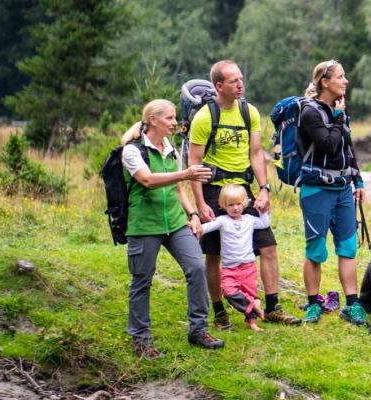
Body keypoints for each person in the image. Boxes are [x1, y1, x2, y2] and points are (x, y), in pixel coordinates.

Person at [189, 60, 301, 329]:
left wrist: (264, 189)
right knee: (214, 254)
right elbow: (194, 164)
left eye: (241, 79)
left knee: (268, 244)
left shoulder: (249, 112)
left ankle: (273, 307)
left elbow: (255, 153)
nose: (241, 84)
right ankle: (218, 311)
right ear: (219, 86)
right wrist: (201, 204)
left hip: (244, 191)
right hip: (215, 190)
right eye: (233, 81)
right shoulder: (204, 118)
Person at [118, 99, 223, 359]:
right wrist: (186, 174)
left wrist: (193, 215)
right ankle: (142, 340)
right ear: (153, 119)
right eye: (170, 118)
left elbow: (177, 190)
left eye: (175, 118)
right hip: (144, 225)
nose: (175, 123)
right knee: (142, 281)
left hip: (175, 222)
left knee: (196, 268)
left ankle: (198, 331)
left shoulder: (170, 148)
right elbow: (148, 180)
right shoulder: (133, 151)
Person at [296, 60, 368, 325]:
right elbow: (327, 145)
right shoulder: (309, 112)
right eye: (340, 77)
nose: (345, 81)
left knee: (348, 247)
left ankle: (352, 304)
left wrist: (358, 180)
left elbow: (346, 148)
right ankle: (313, 304)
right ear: (324, 82)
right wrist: (338, 118)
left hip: (342, 190)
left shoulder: (340, 110)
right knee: (315, 249)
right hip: (316, 190)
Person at [201, 185, 273, 332]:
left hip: (248, 267)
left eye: (238, 204)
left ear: (244, 203)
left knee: (249, 294)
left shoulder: (250, 220)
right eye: (230, 205)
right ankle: (254, 307)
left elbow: (264, 223)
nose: (235, 208)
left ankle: (253, 322)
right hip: (230, 268)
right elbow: (206, 228)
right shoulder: (222, 220)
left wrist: (263, 211)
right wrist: (195, 226)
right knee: (228, 291)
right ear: (223, 205)